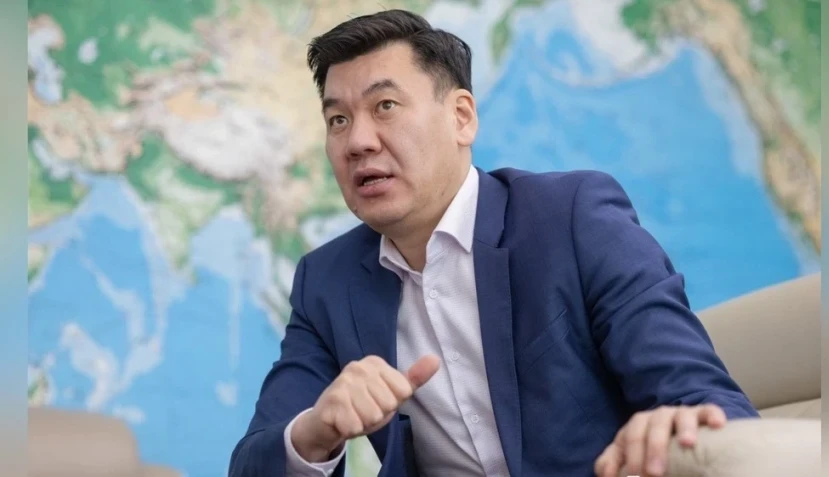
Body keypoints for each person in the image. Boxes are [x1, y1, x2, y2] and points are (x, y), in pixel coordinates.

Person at [229, 9, 759, 477]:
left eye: (385, 106)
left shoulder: (572, 219)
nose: (358, 141)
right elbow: (254, 460)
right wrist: (315, 431)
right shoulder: (327, 282)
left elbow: (707, 401)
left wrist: (678, 430)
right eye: (338, 120)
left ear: (461, 117)